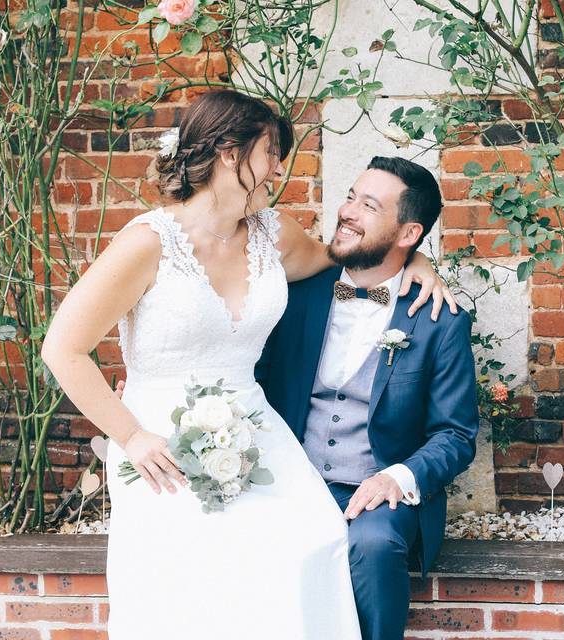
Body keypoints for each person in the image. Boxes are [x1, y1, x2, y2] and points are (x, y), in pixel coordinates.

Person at [40, 89, 455, 639]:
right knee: (201, 581)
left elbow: (351, 256)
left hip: (258, 436)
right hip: (161, 445)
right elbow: (62, 349)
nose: (278, 170)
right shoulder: (147, 244)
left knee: (313, 544)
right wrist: (132, 437)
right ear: (231, 155)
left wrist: (417, 257)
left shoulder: (273, 236)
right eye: (270, 154)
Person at [257, 156, 479, 640]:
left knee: (374, 545)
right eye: (351, 196)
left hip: (375, 493)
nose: (348, 211)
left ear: (407, 234)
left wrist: (397, 477)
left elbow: (457, 434)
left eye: (369, 205)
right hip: (292, 479)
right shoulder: (292, 295)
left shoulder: (439, 319)